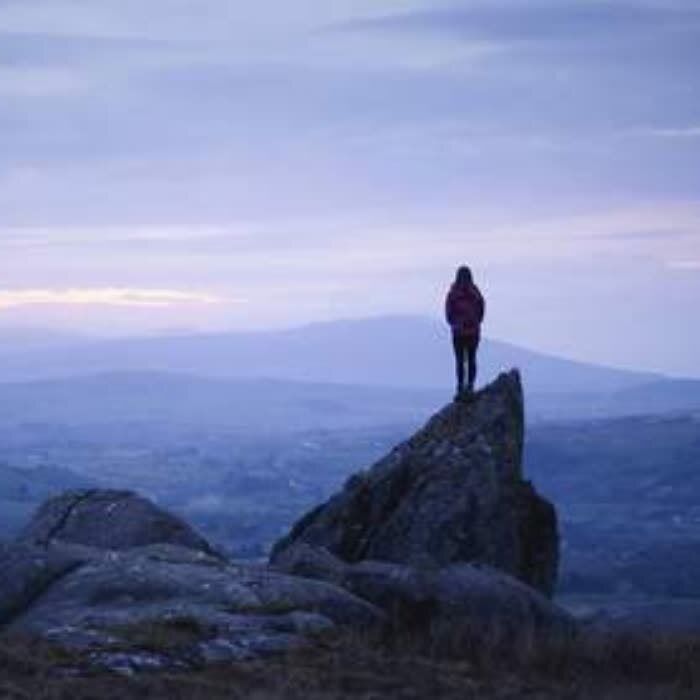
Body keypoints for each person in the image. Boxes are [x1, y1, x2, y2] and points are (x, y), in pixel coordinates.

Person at [445, 265, 485, 399]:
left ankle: (462, 387)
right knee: (470, 359)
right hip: (471, 332)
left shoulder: (453, 293)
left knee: (461, 360)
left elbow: (448, 313)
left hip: (460, 332)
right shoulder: (475, 293)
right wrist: (476, 323)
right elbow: (481, 310)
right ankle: (468, 386)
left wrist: (456, 324)